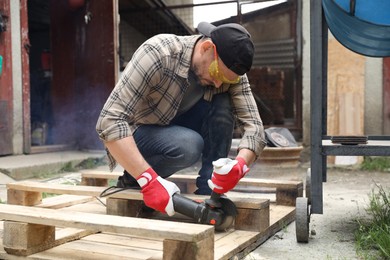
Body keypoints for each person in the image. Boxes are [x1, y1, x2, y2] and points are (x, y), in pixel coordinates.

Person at [96, 22, 266, 216]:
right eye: (216, 73)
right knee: (188, 145)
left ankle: (210, 190)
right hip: (141, 134)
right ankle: (134, 180)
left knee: (223, 103)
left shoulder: (229, 72)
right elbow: (109, 120)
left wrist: (241, 165)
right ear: (207, 48)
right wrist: (148, 180)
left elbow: (255, 128)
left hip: (178, 128)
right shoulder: (158, 54)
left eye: (226, 80)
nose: (219, 82)